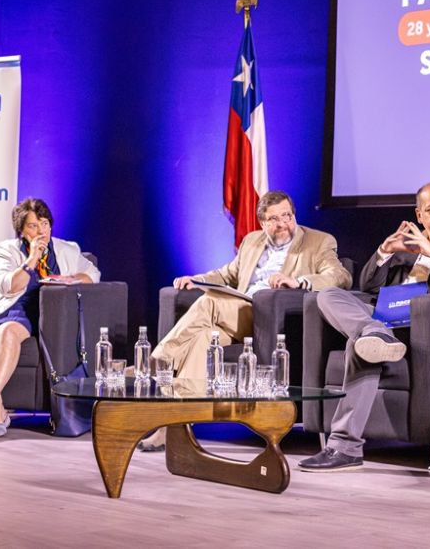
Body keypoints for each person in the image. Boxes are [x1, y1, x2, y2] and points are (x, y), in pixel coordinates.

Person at [298, 181, 430, 472]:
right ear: (419, 215)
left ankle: (344, 448)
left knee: (360, 345)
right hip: (384, 318)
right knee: (327, 295)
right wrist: (385, 251)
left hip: (425, 324)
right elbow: (368, 285)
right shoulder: (407, 243)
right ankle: (374, 333)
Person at [139, 190, 351, 451]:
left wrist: (299, 281)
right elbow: (227, 274)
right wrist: (197, 280)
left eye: (287, 215)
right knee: (200, 339)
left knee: (208, 302)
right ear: (262, 222)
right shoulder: (252, 241)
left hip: (269, 318)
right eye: (274, 219)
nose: (283, 223)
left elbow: (340, 276)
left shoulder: (318, 242)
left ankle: (158, 360)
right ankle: (173, 427)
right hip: (237, 313)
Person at [0, 198, 101, 439]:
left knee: (6, 332)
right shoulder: (7, 249)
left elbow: (93, 273)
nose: (41, 231)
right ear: (22, 230)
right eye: (33, 226)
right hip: (6, 306)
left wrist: (70, 280)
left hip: (37, 311)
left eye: (44, 224)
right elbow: (9, 286)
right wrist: (31, 259)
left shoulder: (67, 249)